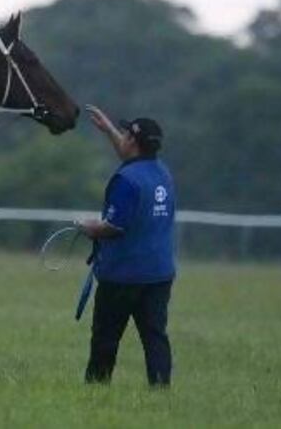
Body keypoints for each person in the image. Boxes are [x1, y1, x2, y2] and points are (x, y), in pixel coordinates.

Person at [76, 104, 177, 386]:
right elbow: (128, 153)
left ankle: (96, 388)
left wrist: (86, 228)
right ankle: (161, 390)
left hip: (123, 275)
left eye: (124, 134)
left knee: (106, 338)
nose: (120, 138)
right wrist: (108, 129)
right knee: (155, 336)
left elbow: (114, 227)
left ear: (133, 141)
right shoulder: (162, 173)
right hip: (159, 273)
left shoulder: (126, 180)